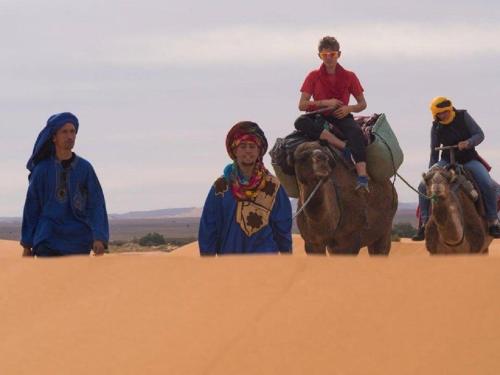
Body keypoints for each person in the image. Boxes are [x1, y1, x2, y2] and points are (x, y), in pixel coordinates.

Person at [21, 112, 109, 256]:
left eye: (73, 131)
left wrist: (99, 237)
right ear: (54, 137)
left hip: (78, 240)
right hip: (47, 239)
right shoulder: (41, 170)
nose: (70, 136)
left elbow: (96, 203)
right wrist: (27, 244)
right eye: (64, 132)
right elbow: (32, 206)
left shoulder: (85, 168)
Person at [412, 97, 500, 240]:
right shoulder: (436, 127)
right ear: (436, 115)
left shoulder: (463, 116)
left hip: (469, 160)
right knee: (423, 186)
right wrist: (431, 172)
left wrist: (468, 142)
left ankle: (493, 222)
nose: (444, 115)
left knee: (487, 184)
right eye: (440, 113)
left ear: (450, 109)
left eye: (446, 111)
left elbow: (480, 134)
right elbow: (434, 151)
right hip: (446, 161)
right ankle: (424, 224)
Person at [198, 121, 293, 254]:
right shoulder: (221, 187)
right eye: (242, 146)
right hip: (230, 265)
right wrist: (207, 263)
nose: (248, 150)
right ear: (234, 150)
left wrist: (287, 259)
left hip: (266, 266)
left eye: (252, 146)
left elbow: (283, 227)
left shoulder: (273, 186)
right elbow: (209, 229)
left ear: (259, 151)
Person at [294, 35, 369, 192]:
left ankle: (362, 175)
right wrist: (325, 102)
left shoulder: (350, 76)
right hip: (319, 115)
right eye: (324, 55)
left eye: (332, 54)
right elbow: (302, 105)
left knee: (356, 132)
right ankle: (342, 146)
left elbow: (362, 104)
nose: (329, 58)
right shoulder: (313, 76)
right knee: (300, 122)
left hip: (341, 115)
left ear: (339, 54)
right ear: (319, 56)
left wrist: (349, 109)